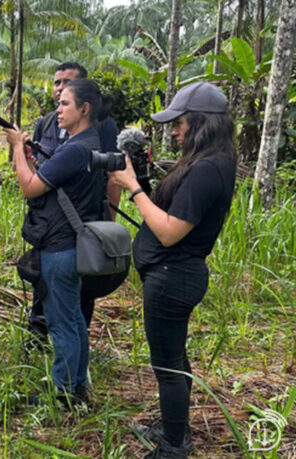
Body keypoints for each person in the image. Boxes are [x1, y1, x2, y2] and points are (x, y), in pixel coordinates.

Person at [109, 81, 237, 458]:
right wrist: (144, 179)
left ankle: (173, 447)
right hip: (173, 275)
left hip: (173, 276)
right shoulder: (204, 161)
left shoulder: (208, 169)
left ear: (200, 122)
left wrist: (132, 187)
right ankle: (173, 429)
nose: (174, 131)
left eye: (179, 123)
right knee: (175, 361)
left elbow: (168, 232)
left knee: (167, 367)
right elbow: (168, 209)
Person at [5, 79, 112, 406]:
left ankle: (63, 395)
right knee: (74, 319)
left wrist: (14, 147)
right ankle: (77, 387)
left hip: (60, 247)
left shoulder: (75, 150)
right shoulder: (89, 145)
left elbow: (29, 188)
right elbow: (41, 176)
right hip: (73, 245)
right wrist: (23, 153)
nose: (58, 109)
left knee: (62, 324)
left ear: (84, 108)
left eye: (65, 103)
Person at [26, 62, 124, 347]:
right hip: (47, 223)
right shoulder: (46, 122)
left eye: (66, 85)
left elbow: (112, 176)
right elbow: (40, 173)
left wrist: (109, 220)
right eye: (56, 83)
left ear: (85, 105)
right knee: (45, 285)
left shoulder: (100, 129)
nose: (58, 91)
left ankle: (68, 372)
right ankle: (40, 338)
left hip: (81, 223)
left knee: (78, 296)